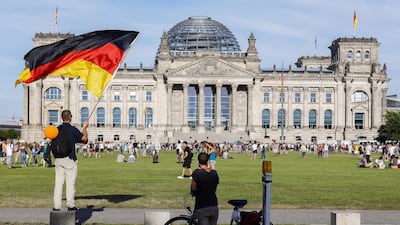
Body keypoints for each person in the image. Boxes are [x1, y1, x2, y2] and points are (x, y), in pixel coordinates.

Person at [52, 110, 88, 211]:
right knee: (70, 183)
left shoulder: (57, 129)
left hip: (58, 159)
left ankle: (56, 206)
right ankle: (70, 205)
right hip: (69, 159)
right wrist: (84, 128)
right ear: (70, 118)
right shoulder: (72, 129)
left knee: (58, 184)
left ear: (62, 118)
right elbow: (84, 139)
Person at [191, 152, 219, 225]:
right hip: (213, 205)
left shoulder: (197, 173)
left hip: (202, 206)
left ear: (198, 162)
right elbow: (215, 187)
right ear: (208, 161)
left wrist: (194, 193)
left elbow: (193, 188)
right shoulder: (214, 173)